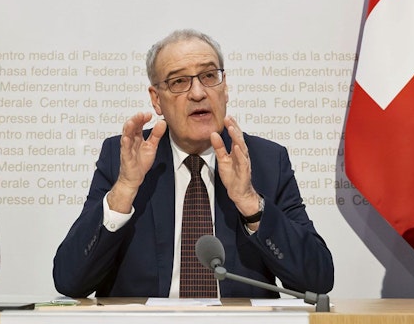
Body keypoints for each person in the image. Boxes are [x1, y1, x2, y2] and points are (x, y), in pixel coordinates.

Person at [53, 29, 334, 298]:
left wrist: (250, 203)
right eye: (178, 81)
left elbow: (318, 280)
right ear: (156, 99)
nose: (198, 92)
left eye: (209, 76)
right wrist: (125, 188)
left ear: (225, 88)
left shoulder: (265, 160)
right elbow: (70, 281)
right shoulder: (124, 156)